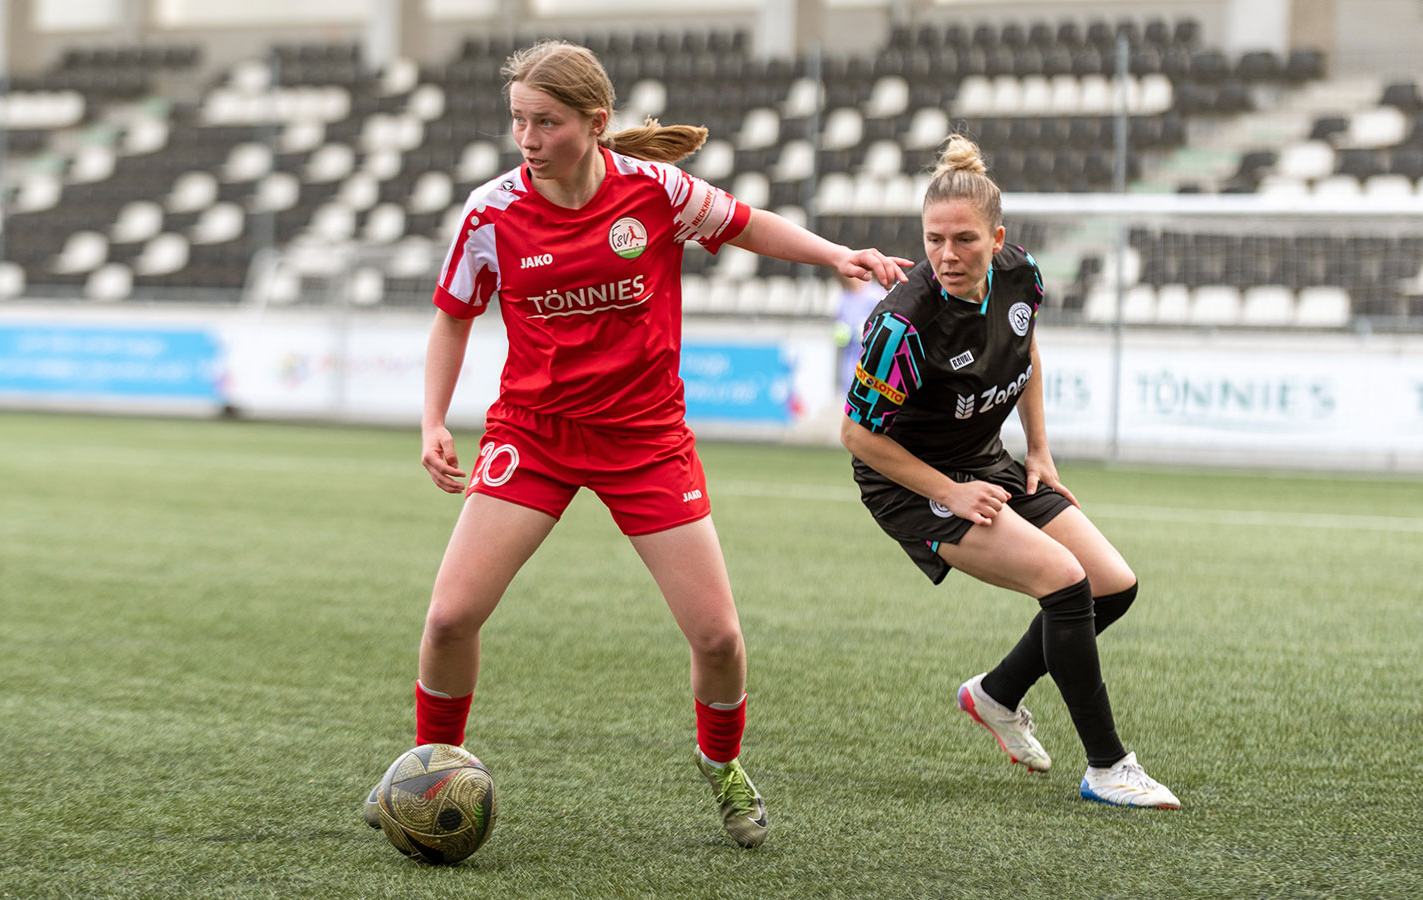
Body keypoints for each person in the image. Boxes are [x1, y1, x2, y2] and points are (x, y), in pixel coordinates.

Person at [362, 39, 913, 848]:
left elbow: (747, 223)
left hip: (645, 440)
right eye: (519, 121)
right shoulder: (491, 212)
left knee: (719, 638)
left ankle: (721, 765)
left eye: (545, 122)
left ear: (595, 123)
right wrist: (433, 420)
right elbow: (453, 314)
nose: (528, 139)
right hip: (534, 437)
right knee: (449, 618)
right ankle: (424, 771)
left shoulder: (654, 191)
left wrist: (838, 255)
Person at [838, 134, 1180, 809]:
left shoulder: (1022, 274)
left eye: (963, 239)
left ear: (997, 239)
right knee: (1064, 580)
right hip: (913, 483)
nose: (946, 255)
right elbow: (856, 435)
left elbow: (1026, 353)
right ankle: (1109, 768)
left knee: (1113, 586)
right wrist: (948, 493)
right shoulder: (904, 324)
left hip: (988, 462)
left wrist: (1041, 451)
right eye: (934, 239)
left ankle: (995, 694)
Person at [833, 271, 884, 397]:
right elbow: (839, 318)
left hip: (870, 352)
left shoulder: (876, 294)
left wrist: (868, 330)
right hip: (851, 352)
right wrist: (841, 330)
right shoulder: (845, 297)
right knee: (850, 384)